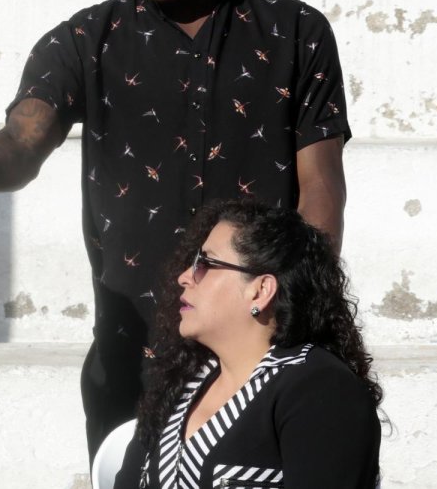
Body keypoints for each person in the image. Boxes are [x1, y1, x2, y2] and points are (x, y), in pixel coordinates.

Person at [0, 0, 351, 458]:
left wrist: (301, 307)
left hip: (262, 350)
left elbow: (321, 184)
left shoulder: (296, 34)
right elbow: (22, 142)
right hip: (131, 359)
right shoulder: (85, 41)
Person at [113, 200, 382, 488]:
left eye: (206, 263)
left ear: (261, 290)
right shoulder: (183, 381)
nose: (184, 277)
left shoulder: (320, 390)